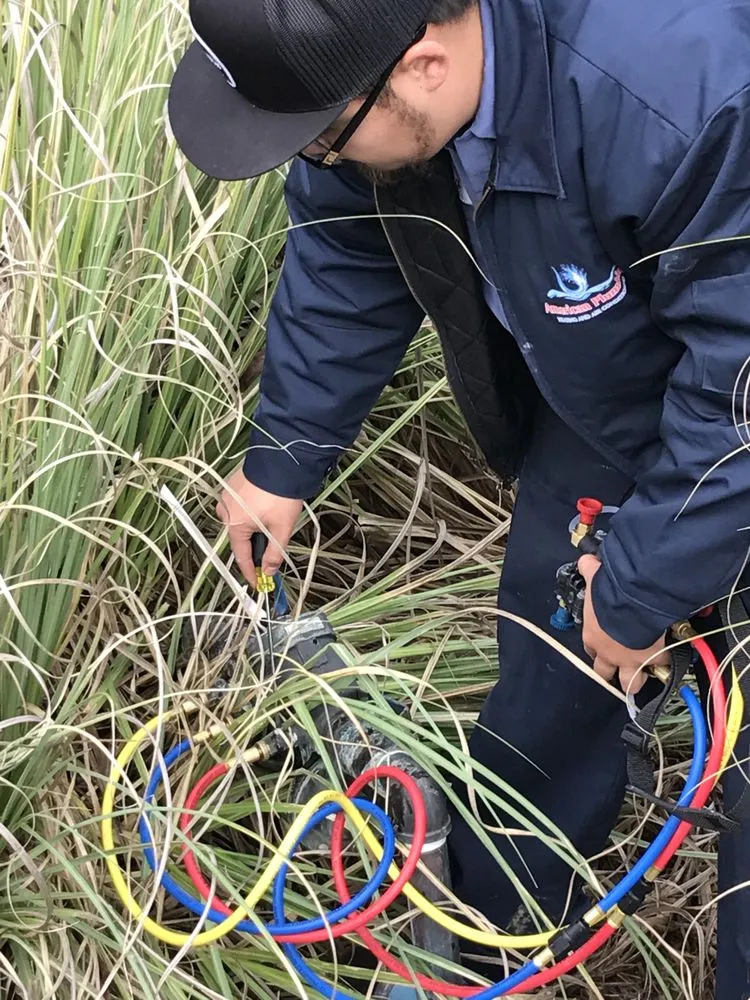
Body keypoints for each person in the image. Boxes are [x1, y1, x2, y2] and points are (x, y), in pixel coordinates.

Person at [168, 0, 750, 993]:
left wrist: (645, 584)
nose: (315, 156)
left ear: (425, 66)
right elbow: (350, 245)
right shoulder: (373, 86)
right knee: (556, 654)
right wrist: (285, 458)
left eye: (319, 136)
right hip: (622, 395)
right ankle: (481, 943)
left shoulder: (685, 97)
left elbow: (739, 390)